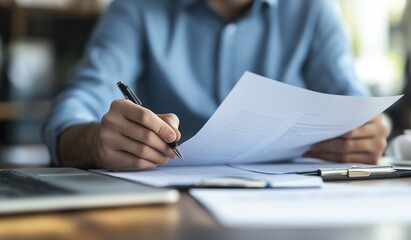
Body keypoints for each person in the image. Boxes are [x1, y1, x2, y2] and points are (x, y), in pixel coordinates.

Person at [44, 0, 388, 171]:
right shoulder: (137, 7)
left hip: (289, 207)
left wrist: (367, 134)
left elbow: (356, 105)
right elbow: (78, 102)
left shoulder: (311, 9)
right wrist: (93, 144)